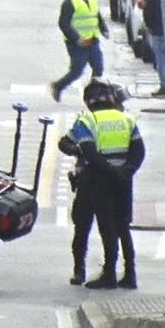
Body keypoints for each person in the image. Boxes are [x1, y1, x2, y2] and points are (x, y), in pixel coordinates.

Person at [59, 79, 143, 289]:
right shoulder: (127, 120)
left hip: (97, 180)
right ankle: (130, 274)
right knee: (122, 227)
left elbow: (88, 152)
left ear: (89, 101)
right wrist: (127, 171)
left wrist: (110, 171)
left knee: (97, 227)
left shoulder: (88, 120)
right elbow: (139, 151)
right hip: (124, 181)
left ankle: (104, 274)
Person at [51, 0, 110, 101]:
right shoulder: (69, 2)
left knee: (98, 68)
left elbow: (97, 16)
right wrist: (76, 39)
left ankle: (95, 94)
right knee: (76, 72)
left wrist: (104, 29)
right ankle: (58, 86)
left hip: (93, 41)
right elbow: (63, 23)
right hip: (77, 44)